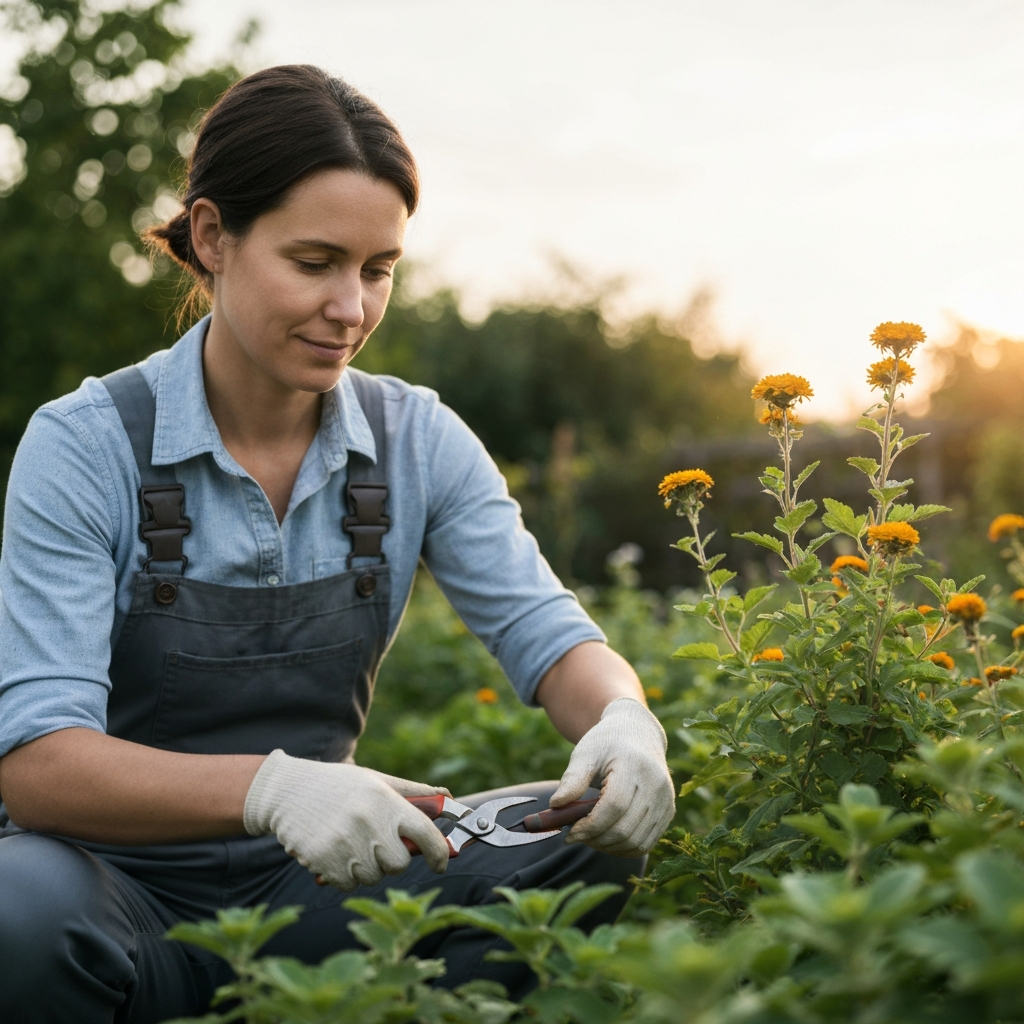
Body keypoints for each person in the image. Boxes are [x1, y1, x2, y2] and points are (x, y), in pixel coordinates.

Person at [0, 65, 675, 1022]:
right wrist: (271, 788)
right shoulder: (86, 444)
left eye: (379, 269)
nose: (352, 309)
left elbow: (549, 633)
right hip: (109, 897)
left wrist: (623, 719)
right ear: (211, 237)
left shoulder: (418, 439)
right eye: (315, 263)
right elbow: (38, 764)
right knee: (11, 909)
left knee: (571, 840)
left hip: (323, 893)